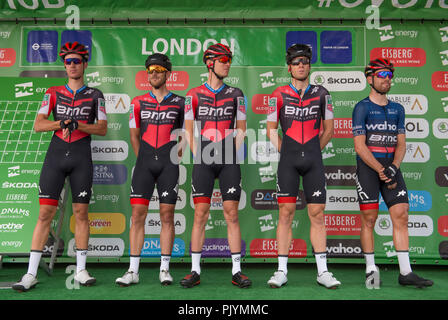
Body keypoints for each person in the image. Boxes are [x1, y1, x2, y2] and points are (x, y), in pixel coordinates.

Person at [12, 42, 107, 291]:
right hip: (55, 156)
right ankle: (30, 274)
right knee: (45, 215)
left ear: (85, 64)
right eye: (68, 61)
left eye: (77, 61)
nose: (72, 65)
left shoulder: (96, 95)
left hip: (80, 157)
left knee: (81, 214)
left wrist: (80, 125)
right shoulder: (52, 93)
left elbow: (102, 128)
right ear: (64, 65)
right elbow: (39, 124)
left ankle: (82, 270)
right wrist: (61, 123)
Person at [352, 58, 433, 289]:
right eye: (381, 75)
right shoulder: (362, 107)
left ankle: (405, 272)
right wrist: (379, 169)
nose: (387, 80)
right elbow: (359, 146)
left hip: (391, 167)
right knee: (369, 219)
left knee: (401, 214)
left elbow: (401, 144)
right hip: (368, 168)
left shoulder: (398, 109)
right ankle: (370, 269)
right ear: (370, 79)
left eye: (389, 75)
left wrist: (394, 167)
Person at [266, 44, 340, 289]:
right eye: (296, 62)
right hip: (288, 161)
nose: (301, 66)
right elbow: (270, 129)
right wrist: (285, 151)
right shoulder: (277, 95)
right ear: (289, 67)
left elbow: (329, 130)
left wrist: (312, 150)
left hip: (313, 160)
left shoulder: (322, 93)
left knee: (317, 214)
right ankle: (281, 271)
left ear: (309, 66)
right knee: (285, 215)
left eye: (305, 62)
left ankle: (323, 272)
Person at [180, 43, 251, 288]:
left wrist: (232, 151)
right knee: (200, 214)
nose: (228, 63)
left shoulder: (237, 93)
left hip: (229, 157)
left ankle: (236, 270)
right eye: (223, 60)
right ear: (210, 63)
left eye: (229, 59)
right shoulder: (193, 94)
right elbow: (188, 131)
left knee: (232, 214)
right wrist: (199, 155)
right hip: (204, 158)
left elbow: (241, 129)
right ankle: (195, 270)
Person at [115, 53, 185, 286]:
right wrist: (144, 158)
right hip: (145, 163)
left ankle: (164, 269)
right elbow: (134, 135)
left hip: (169, 163)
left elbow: (184, 134)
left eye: (158, 70)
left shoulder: (180, 102)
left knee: (167, 216)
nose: (153, 74)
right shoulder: (137, 102)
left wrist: (174, 155)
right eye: (150, 70)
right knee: (137, 216)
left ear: (167, 74)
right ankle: (133, 270)